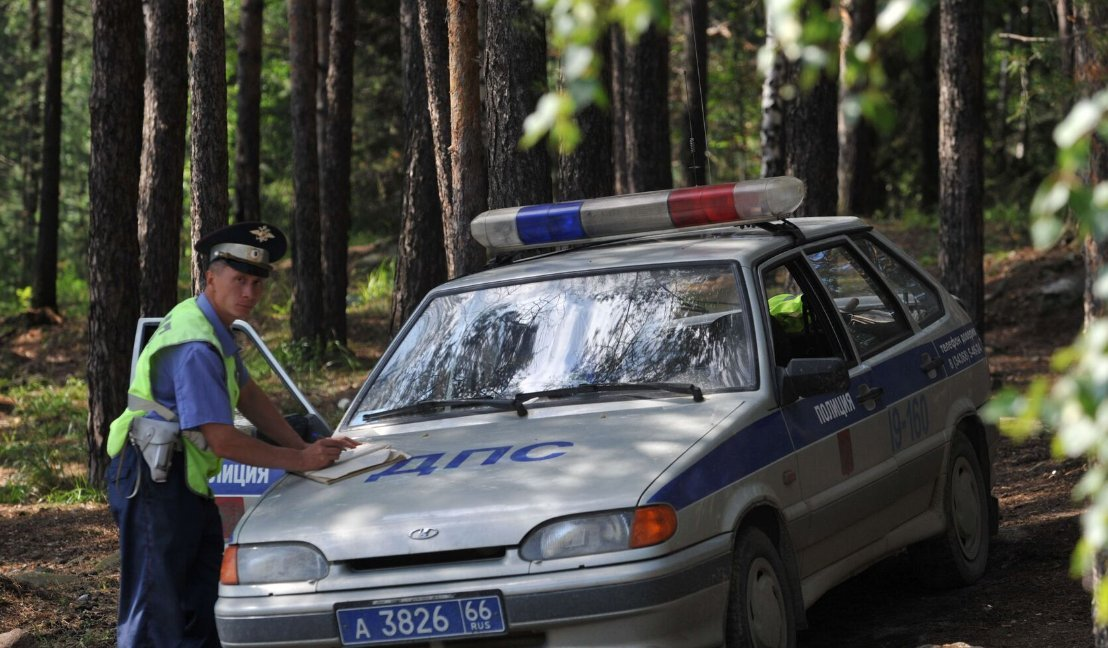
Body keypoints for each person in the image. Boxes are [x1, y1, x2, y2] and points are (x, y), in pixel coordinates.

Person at [104, 221, 357, 647]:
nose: (249, 293)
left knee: (202, 603)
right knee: (155, 611)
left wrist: (303, 445)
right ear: (210, 278)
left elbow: (249, 394)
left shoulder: (210, 328)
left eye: (257, 284)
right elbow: (223, 439)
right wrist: (300, 461)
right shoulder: (197, 346)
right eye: (239, 280)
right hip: (152, 482)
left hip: (179, 480)